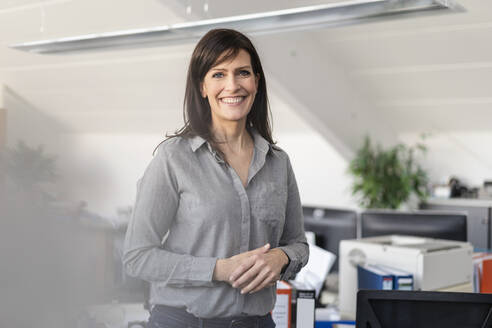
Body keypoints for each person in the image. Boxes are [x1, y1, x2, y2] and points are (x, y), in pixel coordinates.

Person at [123, 28, 309, 328]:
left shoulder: (278, 163)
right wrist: (219, 270)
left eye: (243, 73)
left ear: (257, 82)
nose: (233, 85)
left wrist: (281, 258)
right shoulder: (174, 158)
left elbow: (298, 243)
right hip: (183, 322)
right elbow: (137, 256)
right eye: (218, 74)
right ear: (202, 87)